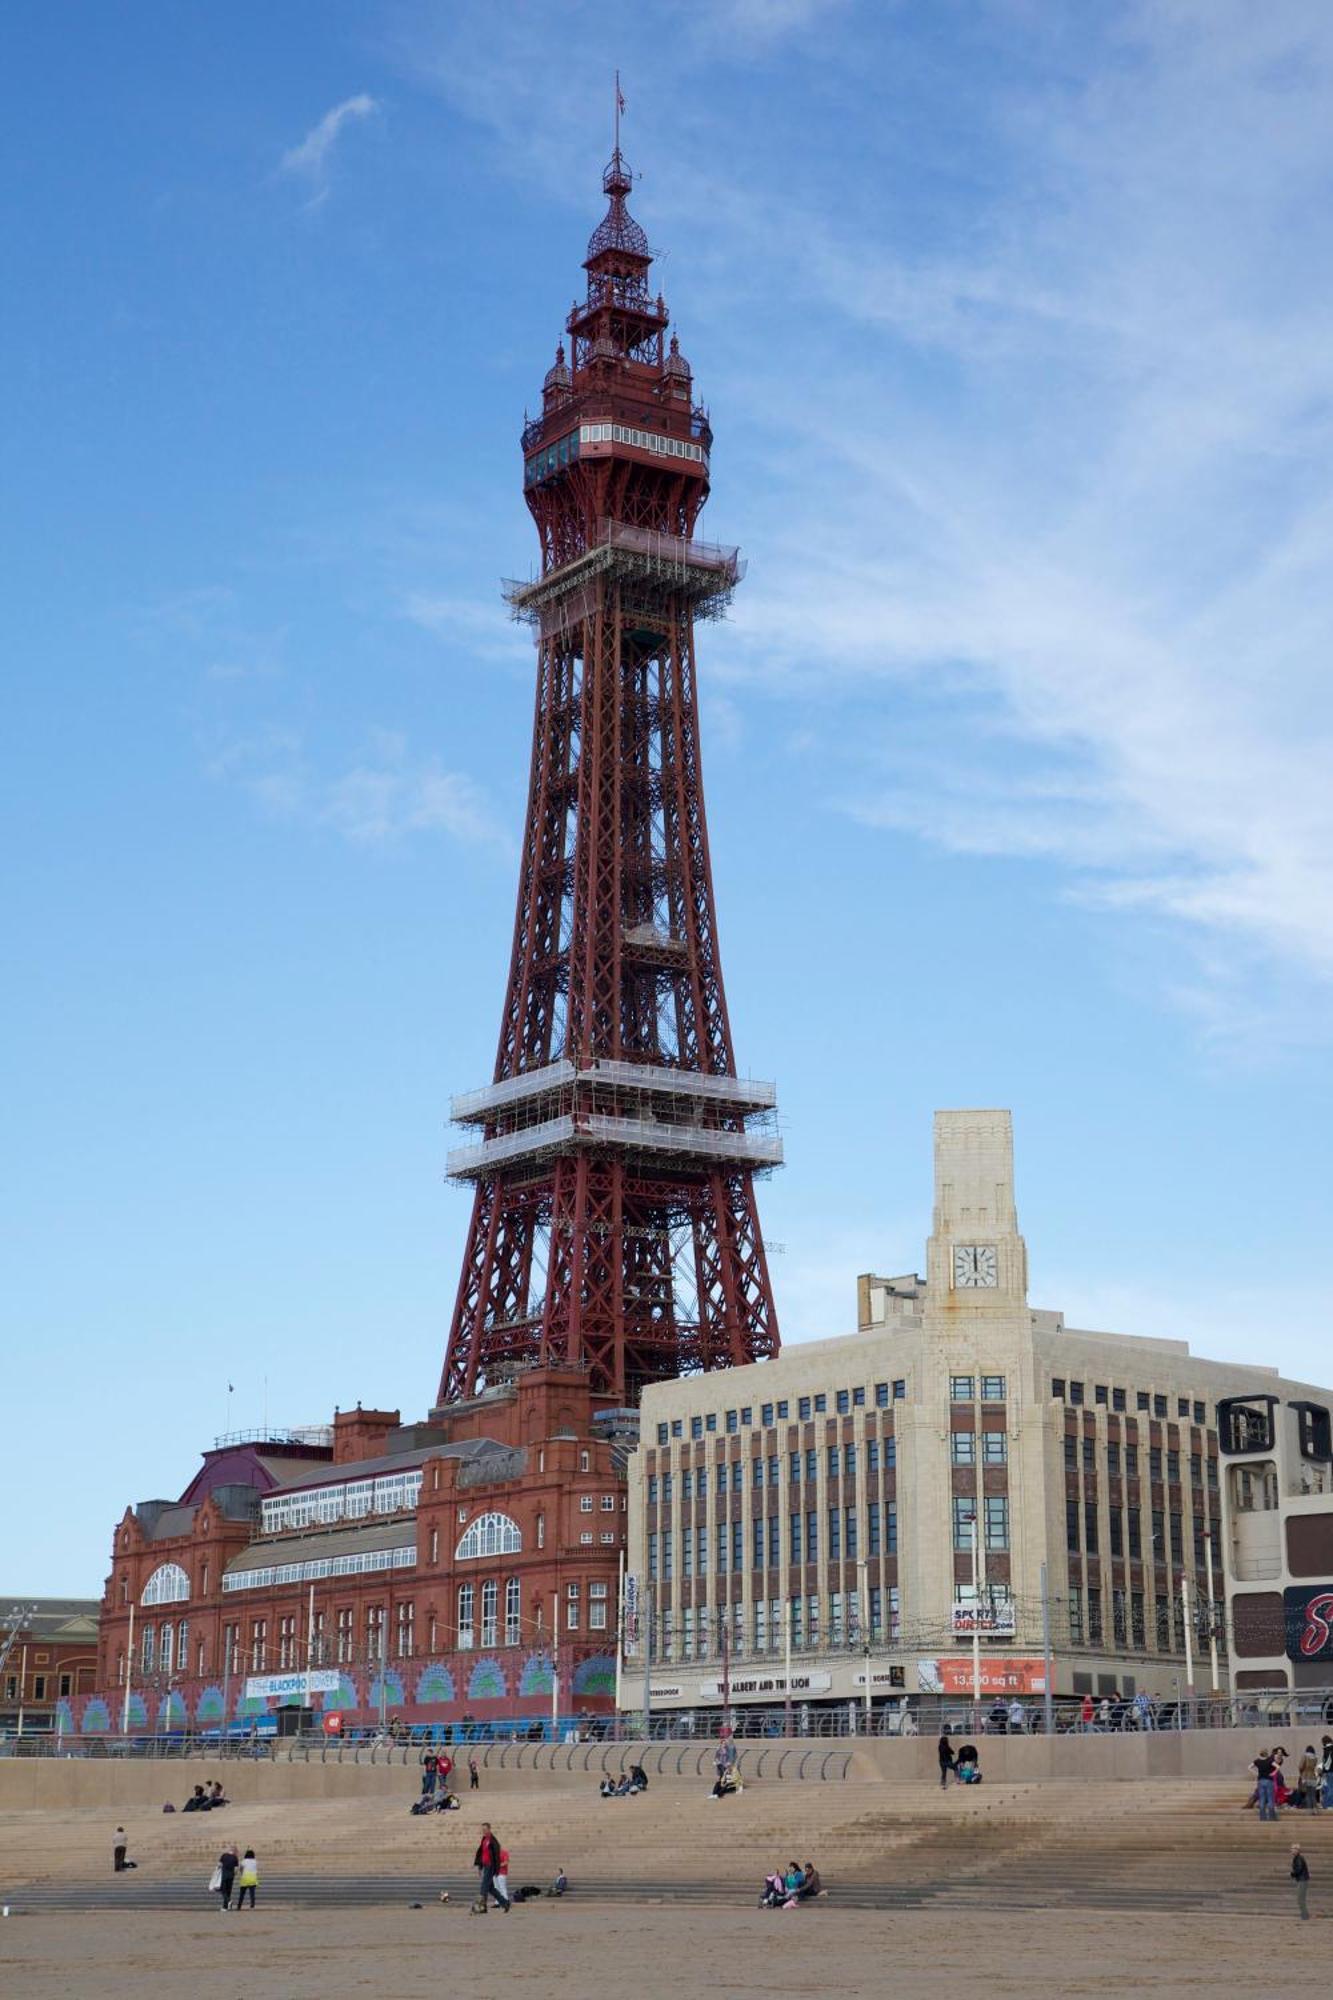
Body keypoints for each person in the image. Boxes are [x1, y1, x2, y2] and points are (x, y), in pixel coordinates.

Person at [473, 1824, 511, 1913]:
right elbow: (481, 1854)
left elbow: (496, 1857)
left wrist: (495, 1868)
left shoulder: (493, 1841)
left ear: (489, 1829)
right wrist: (480, 1867)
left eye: (485, 1829)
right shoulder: (484, 1840)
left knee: (483, 1887)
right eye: (483, 1830)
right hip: (485, 1866)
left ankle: (481, 1907)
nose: (484, 1831)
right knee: (490, 1888)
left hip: (491, 1867)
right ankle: (505, 1903)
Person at [1252, 1748, 1279, 1822]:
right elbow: (1278, 1767)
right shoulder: (1270, 1761)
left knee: (1262, 1799)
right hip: (1269, 1781)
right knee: (1270, 1798)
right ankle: (1271, 1817)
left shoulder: (1257, 1761)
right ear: (1266, 1753)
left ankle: (1263, 1817)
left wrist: (1256, 1773)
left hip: (1260, 1781)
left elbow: (1249, 1767)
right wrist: (1273, 1773)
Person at [216, 1842, 238, 1912]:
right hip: (231, 1876)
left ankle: (228, 1901)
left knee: (222, 1890)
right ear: (234, 1851)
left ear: (229, 1849)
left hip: (224, 1876)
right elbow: (236, 1869)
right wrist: (234, 1874)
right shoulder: (235, 1858)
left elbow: (219, 1865)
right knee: (228, 1892)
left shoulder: (224, 1855)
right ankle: (225, 1907)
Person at [1297, 1747, 1321, 1812]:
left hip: (1306, 1777)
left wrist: (1301, 1773)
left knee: (1308, 1794)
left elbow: (1300, 1766)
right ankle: (1315, 1809)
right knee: (1313, 1795)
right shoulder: (1315, 1757)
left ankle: (1310, 1810)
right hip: (1313, 1777)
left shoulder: (1304, 1756)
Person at [1291, 1844, 1310, 1921]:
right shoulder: (1297, 1858)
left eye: (1293, 1849)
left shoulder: (1299, 1858)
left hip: (1302, 1880)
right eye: (1291, 1848)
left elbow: (1299, 1869)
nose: (1291, 1850)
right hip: (1302, 1880)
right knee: (1301, 1899)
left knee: (1300, 1899)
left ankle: (1305, 1915)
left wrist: (1292, 1874)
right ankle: (1304, 1915)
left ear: (1297, 1850)